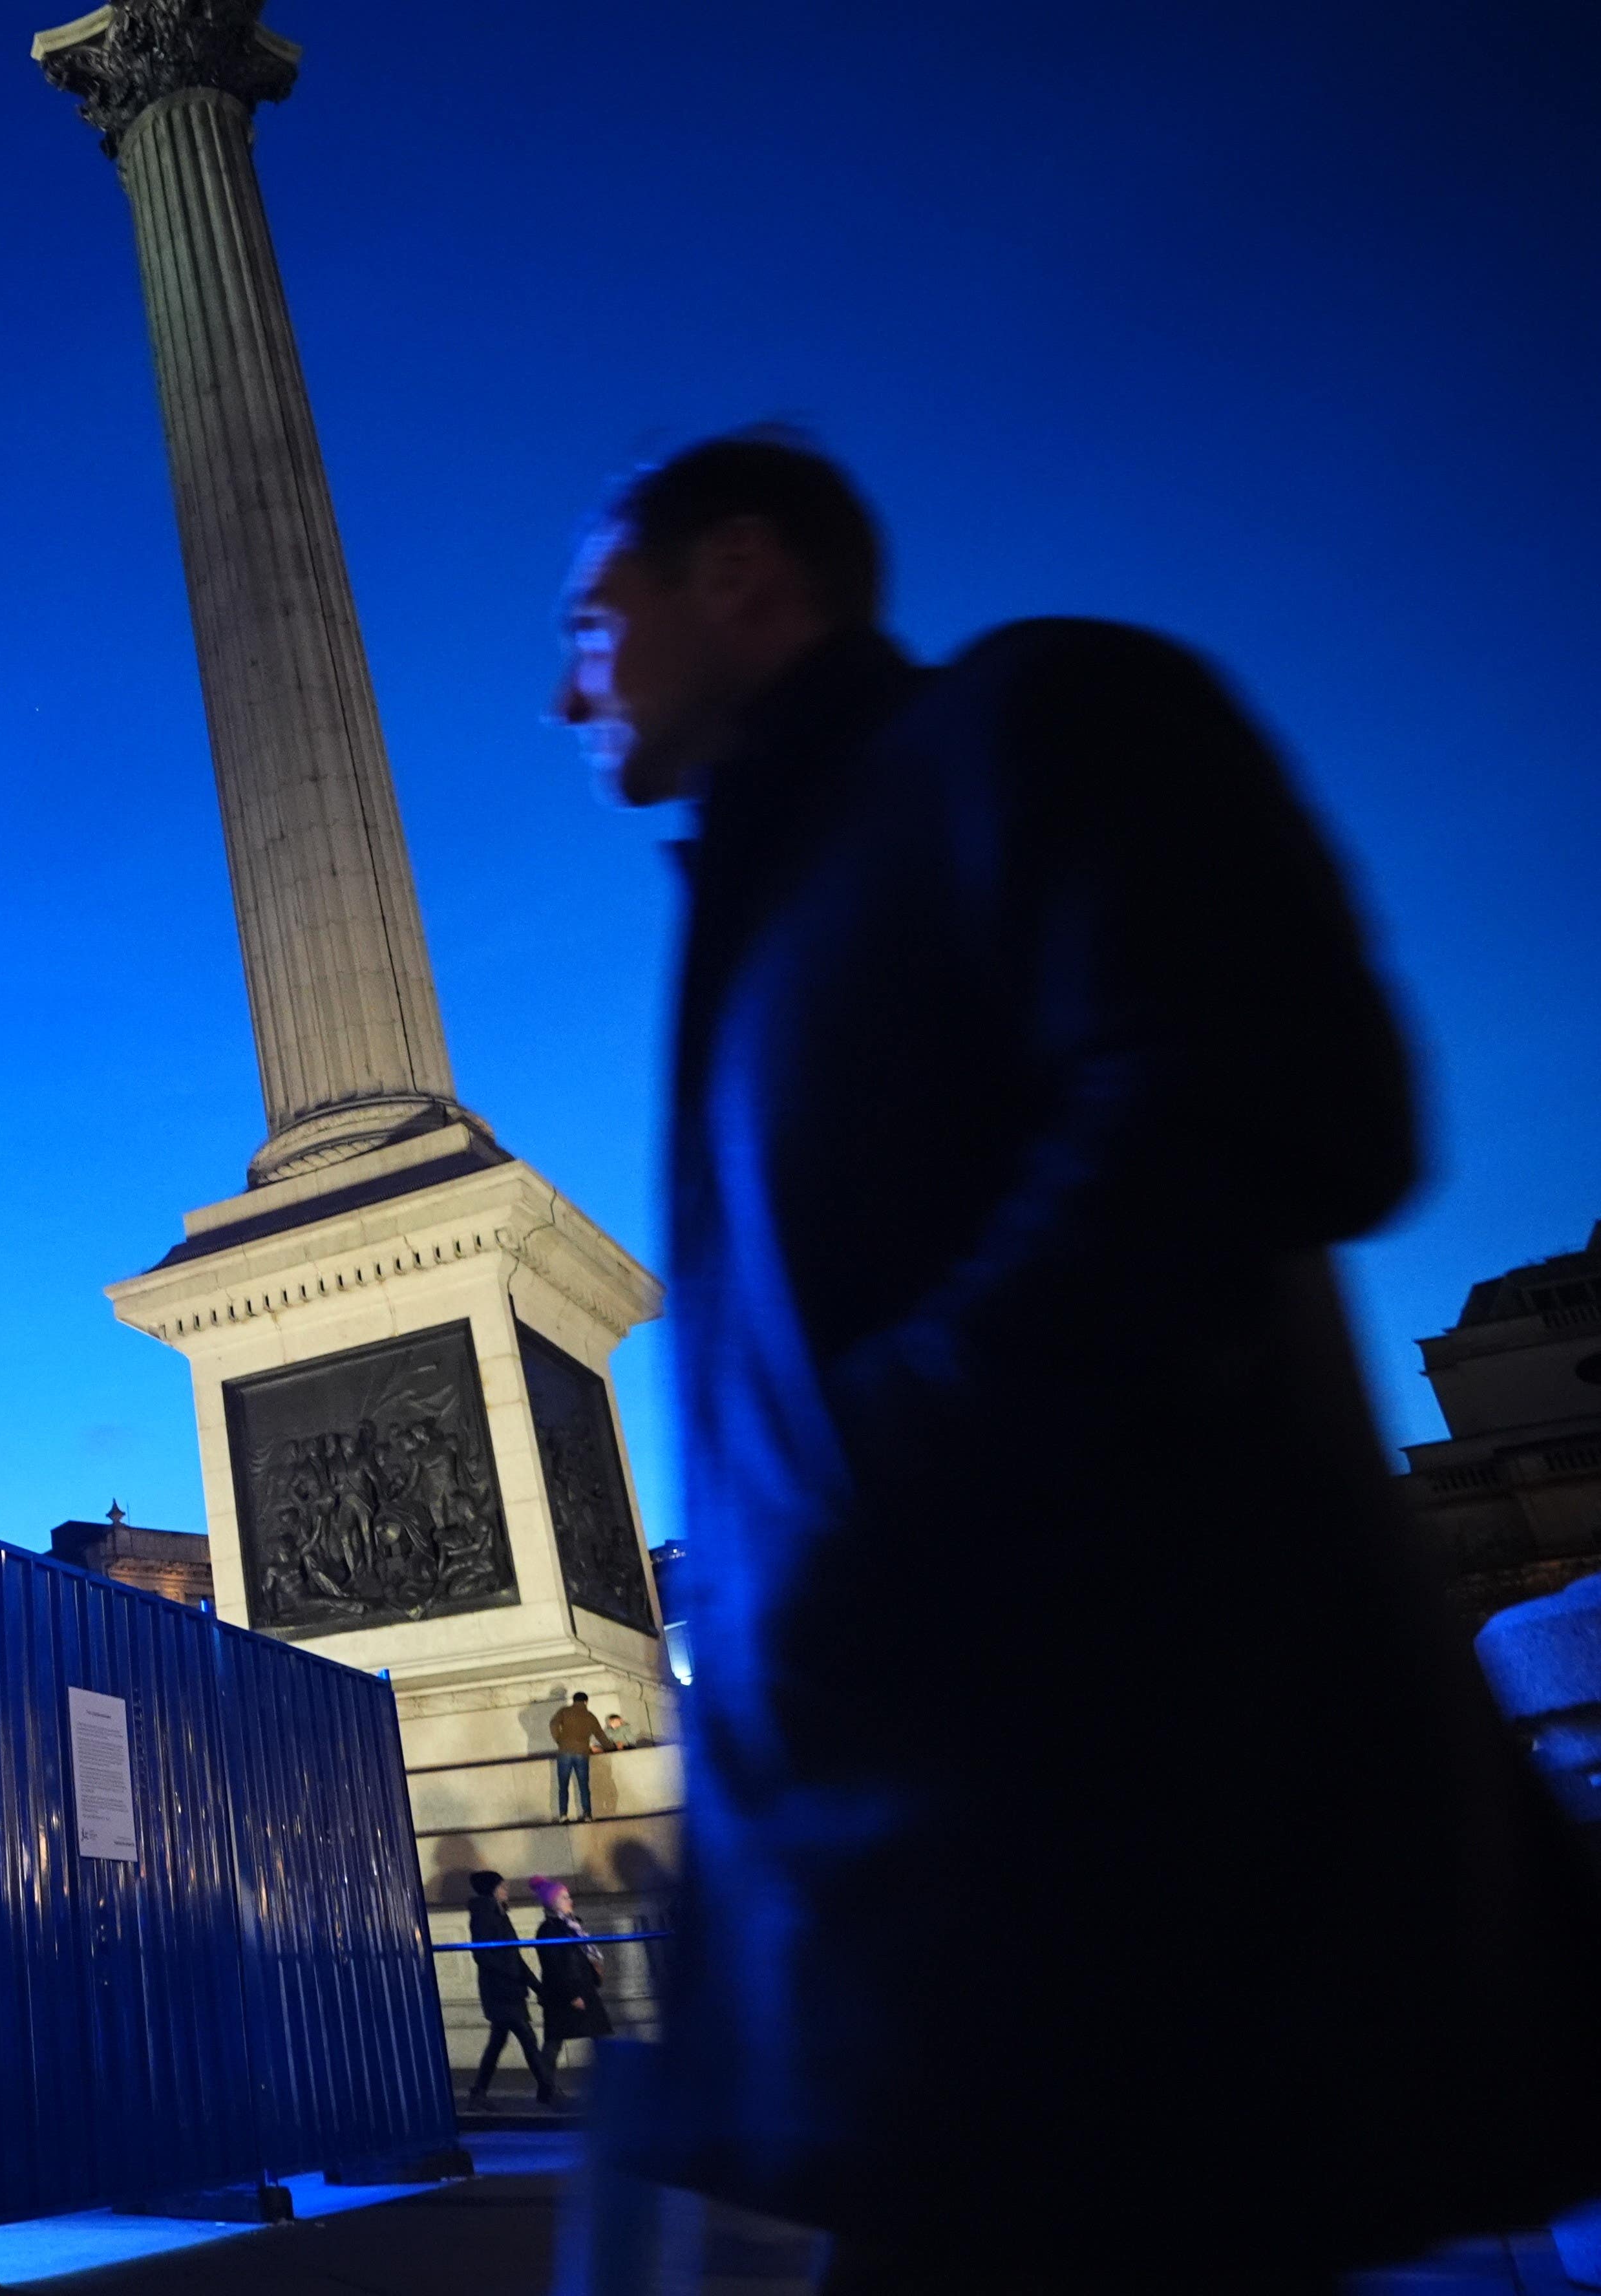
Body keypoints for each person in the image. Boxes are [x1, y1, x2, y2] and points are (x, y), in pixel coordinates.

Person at [554, 429, 1601, 2286]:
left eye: (596, 616)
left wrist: (895, 1448)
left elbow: (1283, 1101)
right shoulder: (759, 922)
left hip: (1142, 1876)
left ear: (737, 574)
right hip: (930, 1935)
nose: (572, 681)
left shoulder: (1045, 719)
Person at [463, 1870, 559, 2110]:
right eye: (503, 1887)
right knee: (527, 2037)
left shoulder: (498, 1913)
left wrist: (535, 1984)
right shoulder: (485, 1915)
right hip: (501, 1991)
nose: (506, 1891)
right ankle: (547, 2089)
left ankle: (479, 2092)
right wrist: (516, 1977)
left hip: (507, 1989)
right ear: (494, 1890)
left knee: (497, 2042)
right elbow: (484, 1955)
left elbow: (513, 1955)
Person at [525, 1877, 611, 2098]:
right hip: (569, 1993)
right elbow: (556, 1965)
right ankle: (547, 2090)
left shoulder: (570, 1926)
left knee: (586, 2037)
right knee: (556, 2042)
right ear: (553, 1903)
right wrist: (573, 1993)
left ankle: (548, 2090)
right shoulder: (551, 1930)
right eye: (564, 1897)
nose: (569, 1900)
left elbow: (578, 1957)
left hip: (580, 1989)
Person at [548, 1691, 605, 1821]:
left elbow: (553, 1724)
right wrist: (611, 1747)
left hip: (564, 1752)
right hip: (581, 1753)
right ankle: (587, 1815)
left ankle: (563, 1815)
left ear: (574, 1701)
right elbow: (600, 1735)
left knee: (563, 1786)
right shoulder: (590, 1716)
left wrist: (559, 1740)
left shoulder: (564, 1711)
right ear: (586, 1702)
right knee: (583, 1785)